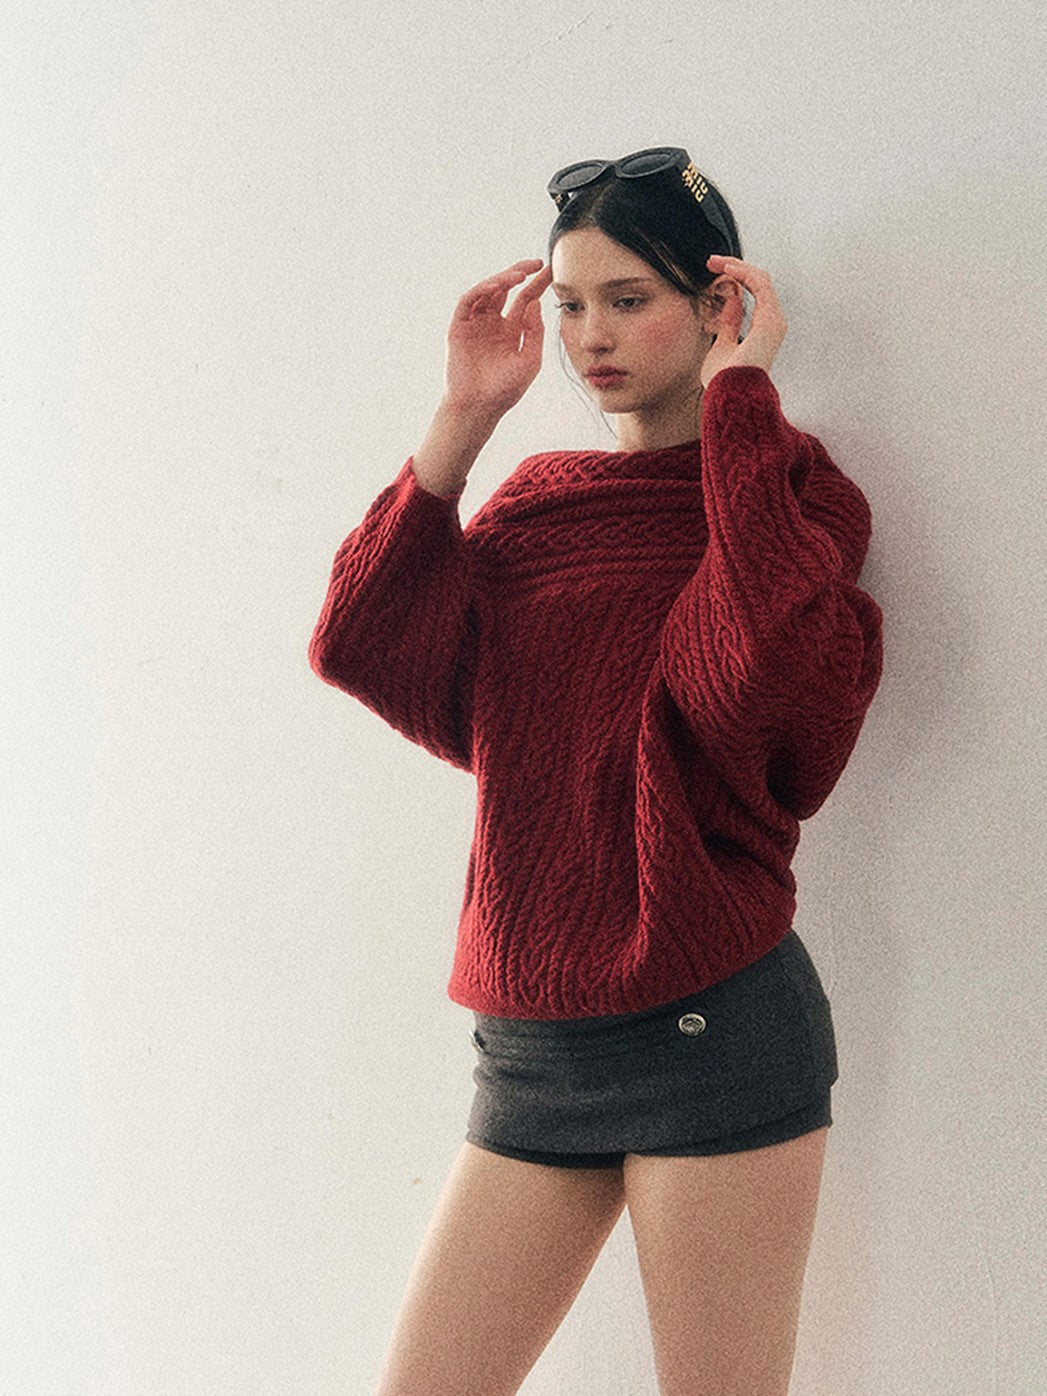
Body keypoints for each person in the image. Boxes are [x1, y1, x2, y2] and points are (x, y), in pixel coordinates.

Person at [308, 147, 884, 1395]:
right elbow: (364, 645)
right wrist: (462, 420)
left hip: (710, 1019)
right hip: (533, 1036)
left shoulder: (792, 497)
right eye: (572, 303)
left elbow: (767, 689)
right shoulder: (537, 506)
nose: (591, 336)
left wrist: (741, 405)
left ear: (719, 305)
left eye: (630, 299)